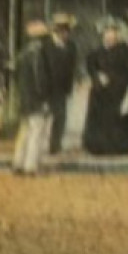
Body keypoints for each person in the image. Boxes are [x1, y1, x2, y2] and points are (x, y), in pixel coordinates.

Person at [82, 20, 128, 156]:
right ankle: (98, 146)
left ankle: (119, 147)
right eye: (107, 34)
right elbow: (91, 68)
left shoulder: (125, 50)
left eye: (113, 34)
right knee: (100, 120)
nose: (110, 37)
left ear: (117, 35)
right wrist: (98, 77)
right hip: (100, 93)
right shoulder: (96, 53)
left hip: (119, 91)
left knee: (119, 119)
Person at [12, 20, 54, 176]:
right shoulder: (38, 55)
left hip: (24, 98)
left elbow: (17, 77)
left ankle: (18, 162)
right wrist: (44, 99)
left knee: (24, 131)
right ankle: (31, 165)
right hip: (36, 100)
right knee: (36, 132)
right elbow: (40, 80)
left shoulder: (22, 55)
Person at [45, 12, 79, 154]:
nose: (64, 32)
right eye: (60, 29)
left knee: (61, 117)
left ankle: (55, 144)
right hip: (48, 87)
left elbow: (72, 67)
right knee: (45, 117)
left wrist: (71, 85)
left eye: (66, 29)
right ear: (55, 30)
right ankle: (43, 144)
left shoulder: (71, 47)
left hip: (63, 88)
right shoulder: (46, 47)